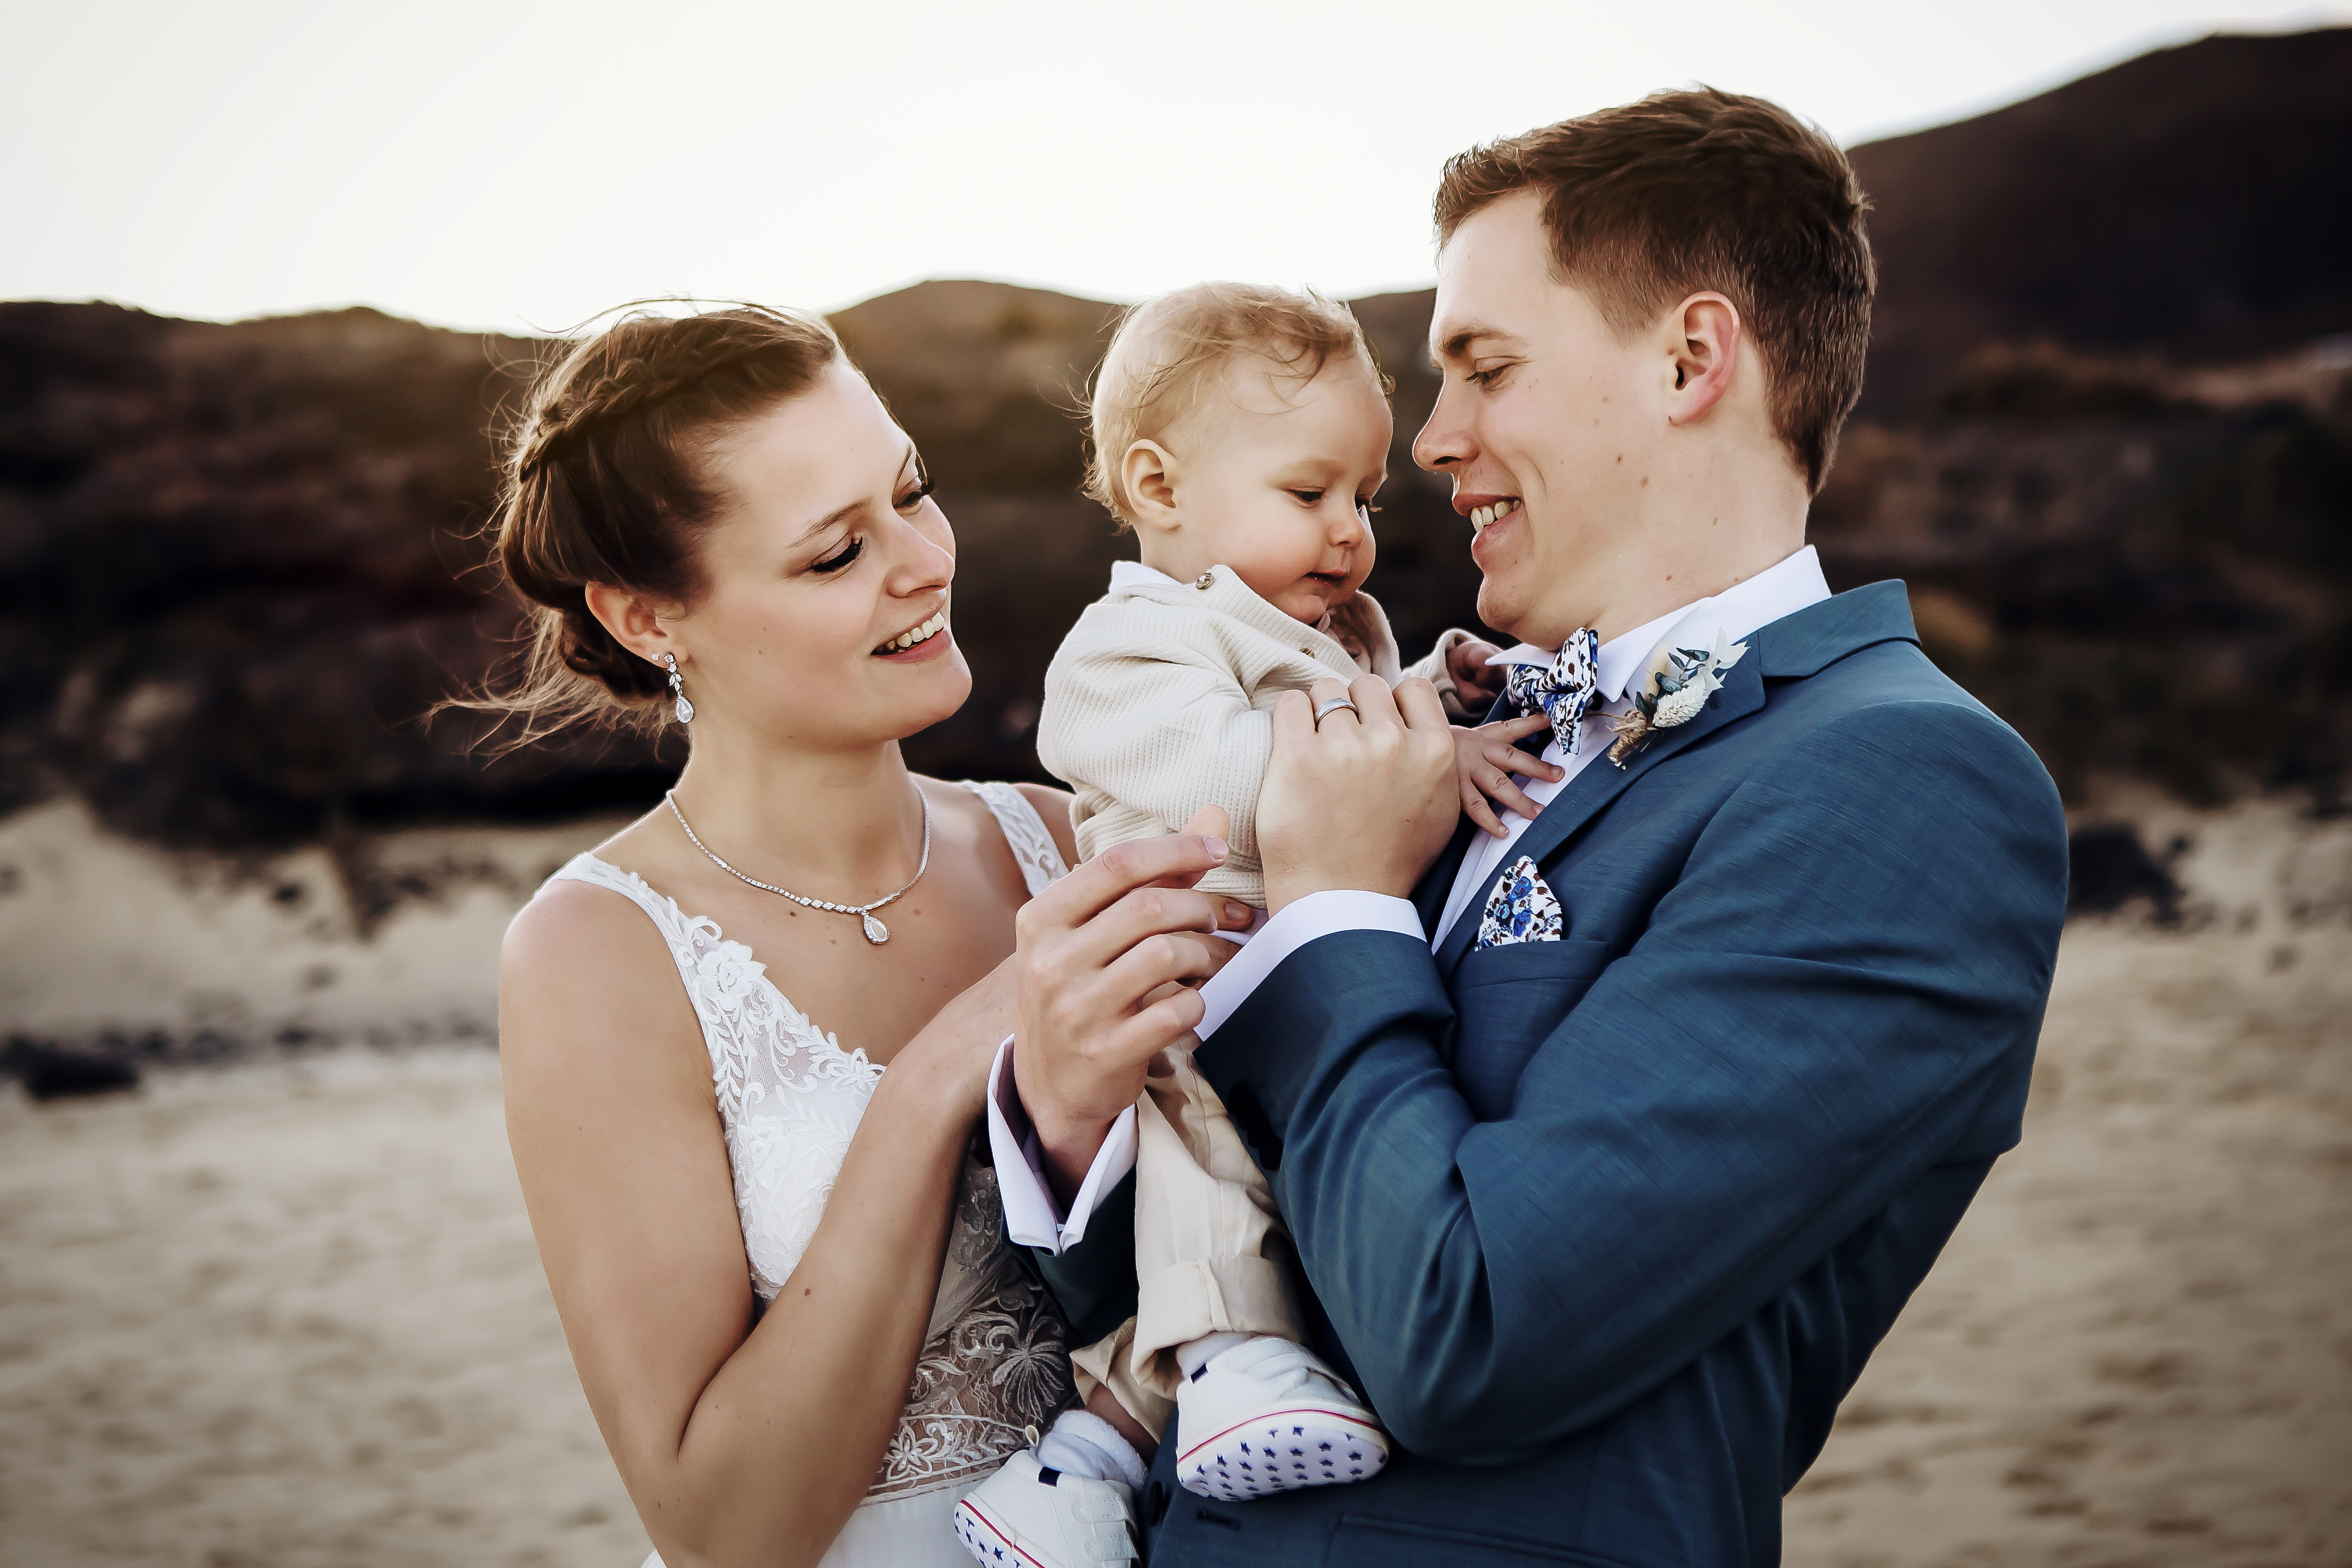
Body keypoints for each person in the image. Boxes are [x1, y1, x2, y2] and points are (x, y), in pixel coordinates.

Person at [998, 90, 2072, 1565]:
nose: (1436, 440)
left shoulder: (1907, 783)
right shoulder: (1430, 720)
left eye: (1484, 368)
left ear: (1693, 359)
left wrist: (1335, 909)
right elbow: (1257, 1235)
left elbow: (1475, 1329)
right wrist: (1068, 1112)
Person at [486, 304, 1251, 1568]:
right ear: (647, 618)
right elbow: (723, 1530)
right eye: (837, 552)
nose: (922, 561)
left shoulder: (1066, 841)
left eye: (914, 492)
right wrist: (944, 1073)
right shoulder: (600, 953)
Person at [952, 283, 1554, 1558]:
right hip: (1188, 967)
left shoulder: (1313, 631)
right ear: (1160, 489)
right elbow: (1236, 775)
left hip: (1280, 965)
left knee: (1261, 1183)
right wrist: (1422, 758)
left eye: (1365, 500)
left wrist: (1428, 689)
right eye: (1309, 494)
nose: (1348, 533)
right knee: (1209, 1166)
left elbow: (1335, 720)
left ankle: (1081, 1465)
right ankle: (1228, 1363)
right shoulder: (1127, 644)